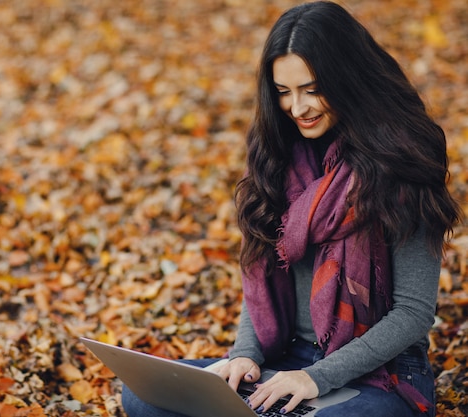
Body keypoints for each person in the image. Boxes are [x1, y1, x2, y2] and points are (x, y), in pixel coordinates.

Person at [121, 1, 461, 417]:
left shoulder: (402, 161)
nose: (297, 108)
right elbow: (260, 272)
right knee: (144, 395)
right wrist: (245, 355)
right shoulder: (276, 157)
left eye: (312, 89)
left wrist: (317, 377)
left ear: (348, 77)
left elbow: (412, 314)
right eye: (283, 92)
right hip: (283, 360)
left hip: (380, 373)